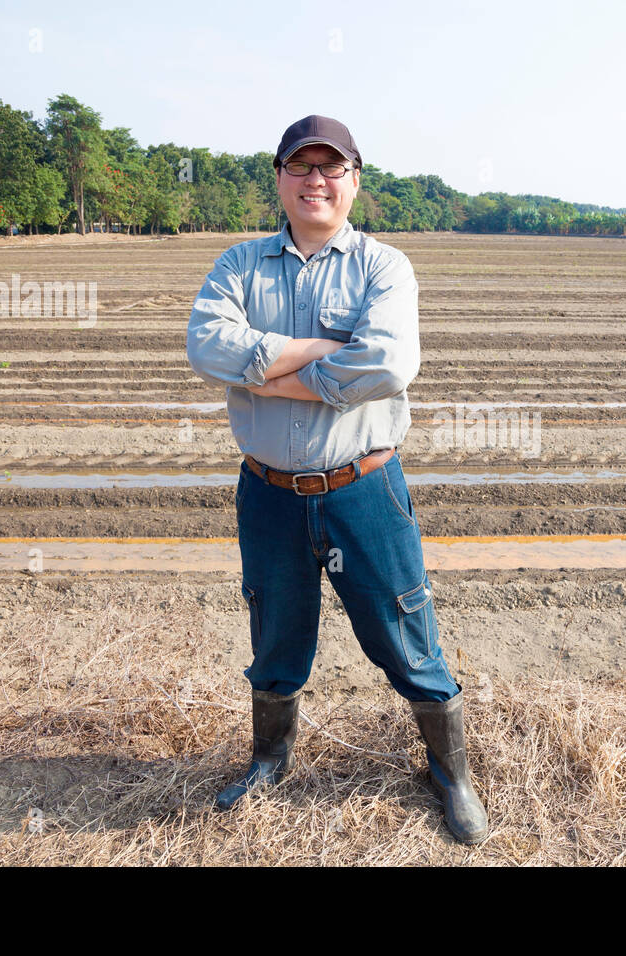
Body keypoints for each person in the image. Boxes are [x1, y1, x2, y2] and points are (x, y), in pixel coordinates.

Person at [185, 115, 487, 845]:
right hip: (269, 494)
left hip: (365, 490)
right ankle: (268, 760)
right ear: (280, 179)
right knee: (275, 633)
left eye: (331, 168)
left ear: (354, 180)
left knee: (405, 634)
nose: (315, 180)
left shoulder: (385, 267)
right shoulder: (239, 264)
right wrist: (326, 357)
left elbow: (387, 363)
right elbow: (207, 346)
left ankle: (451, 775)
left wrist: (275, 375)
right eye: (301, 167)